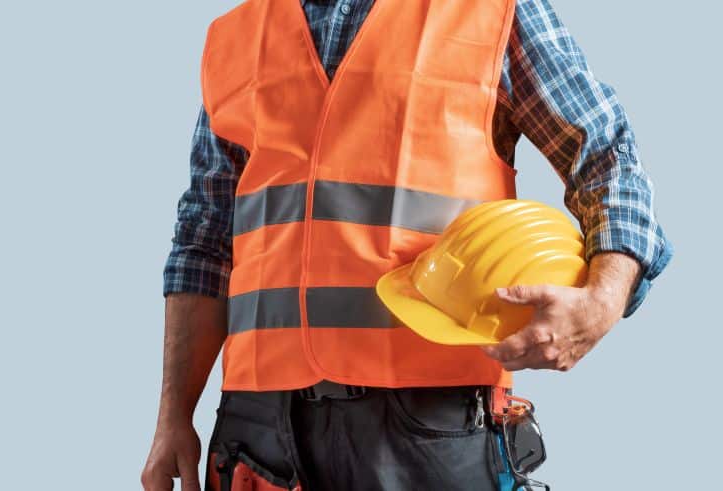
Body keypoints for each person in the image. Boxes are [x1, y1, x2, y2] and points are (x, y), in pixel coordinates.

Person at [143, 0, 672, 489]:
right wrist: (173, 415)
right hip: (259, 433)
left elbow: (605, 153)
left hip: (428, 425)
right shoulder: (235, 38)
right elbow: (204, 239)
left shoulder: (490, 11)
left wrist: (602, 301)